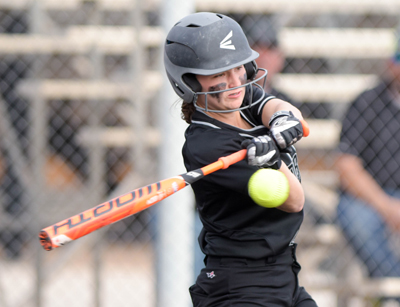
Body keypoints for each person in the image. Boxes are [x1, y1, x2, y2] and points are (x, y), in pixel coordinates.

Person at [164, 12, 318, 307]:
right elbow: (295, 201)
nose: (234, 81)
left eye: (238, 67)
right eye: (219, 72)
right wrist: (271, 161)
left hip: (283, 273)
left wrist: (283, 118)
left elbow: (276, 106)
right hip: (242, 286)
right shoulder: (206, 145)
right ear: (188, 80)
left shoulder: (240, 97)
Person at [336, 33, 400, 300]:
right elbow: (347, 167)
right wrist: (388, 207)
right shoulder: (367, 102)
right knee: (354, 216)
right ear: (391, 63)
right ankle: (394, 289)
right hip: (371, 198)